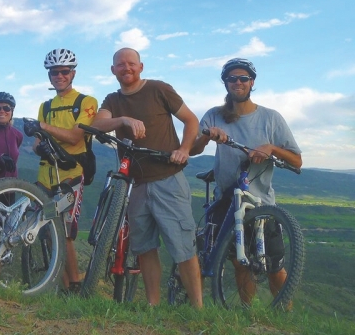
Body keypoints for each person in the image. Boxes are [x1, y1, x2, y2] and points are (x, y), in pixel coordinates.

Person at [90, 47, 203, 308]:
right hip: (136, 186)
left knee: (183, 247)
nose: (126, 68)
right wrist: (124, 120)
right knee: (145, 249)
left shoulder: (159, 89)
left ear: (141, 67)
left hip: (168, 179)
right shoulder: (112, 100)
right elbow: (97, 125)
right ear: (113, 70)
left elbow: (190, 120)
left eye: (131, 63)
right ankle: (153, 308)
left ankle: (198, 310)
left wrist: (184, 150)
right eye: (120, 64)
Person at [190, 57, 302, 304]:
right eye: (232, 78)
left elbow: (297, 161)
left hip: (261, 202)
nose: (238, 83)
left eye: (243, 78)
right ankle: (246, 314)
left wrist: (271, 148)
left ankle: (285, 317)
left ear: (252, 82)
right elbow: (192, 150)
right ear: (225, 83)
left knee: (274, 265)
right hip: (227, 198)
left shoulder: (271, 118)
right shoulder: (214, 115)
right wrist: (208, 136)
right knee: (239, 262)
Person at [25, 48, 98, 294]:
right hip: (44, 177)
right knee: (46, 230)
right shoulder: (45, 106)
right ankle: (63, 287)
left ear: (72, 73)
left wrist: (44, 128)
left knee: (64, 232)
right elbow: (36, 144)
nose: (59, 76)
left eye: (64, 71)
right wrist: (40, 146)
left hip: (71, 175)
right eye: (54, 72)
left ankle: (75, 283)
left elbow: (77, 136)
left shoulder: (86, 102)